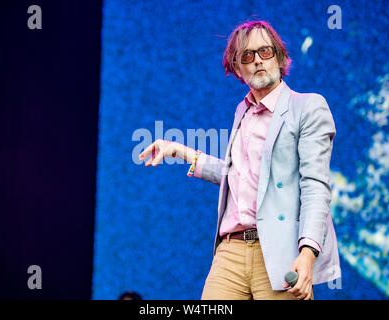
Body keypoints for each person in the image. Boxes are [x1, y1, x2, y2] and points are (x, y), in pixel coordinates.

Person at [138, 20, 340, 300]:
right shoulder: (242, 111)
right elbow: (241, 176)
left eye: (265, 52)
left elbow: (315, 186)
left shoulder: (306, 107)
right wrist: (180, 151)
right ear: (237, 69)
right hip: (230, 250)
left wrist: (307, 253)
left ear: (280, 57)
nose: (257, 60)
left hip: (279, 251)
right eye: (247, 55)